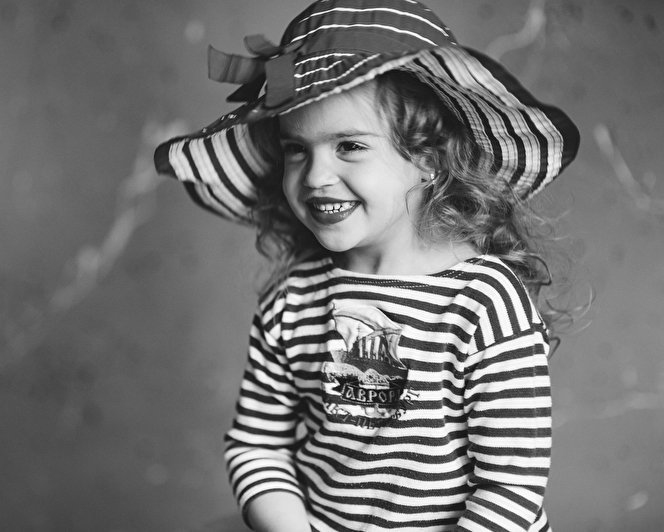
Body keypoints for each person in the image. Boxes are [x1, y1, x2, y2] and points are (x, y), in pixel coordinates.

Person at [155, 1, 580, 530]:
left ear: (428, 159)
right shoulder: (293, 301)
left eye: (350, 146)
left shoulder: (482, 303)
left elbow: (510, 488)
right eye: (296, 149)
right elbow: (256, 445)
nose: (315, 177)